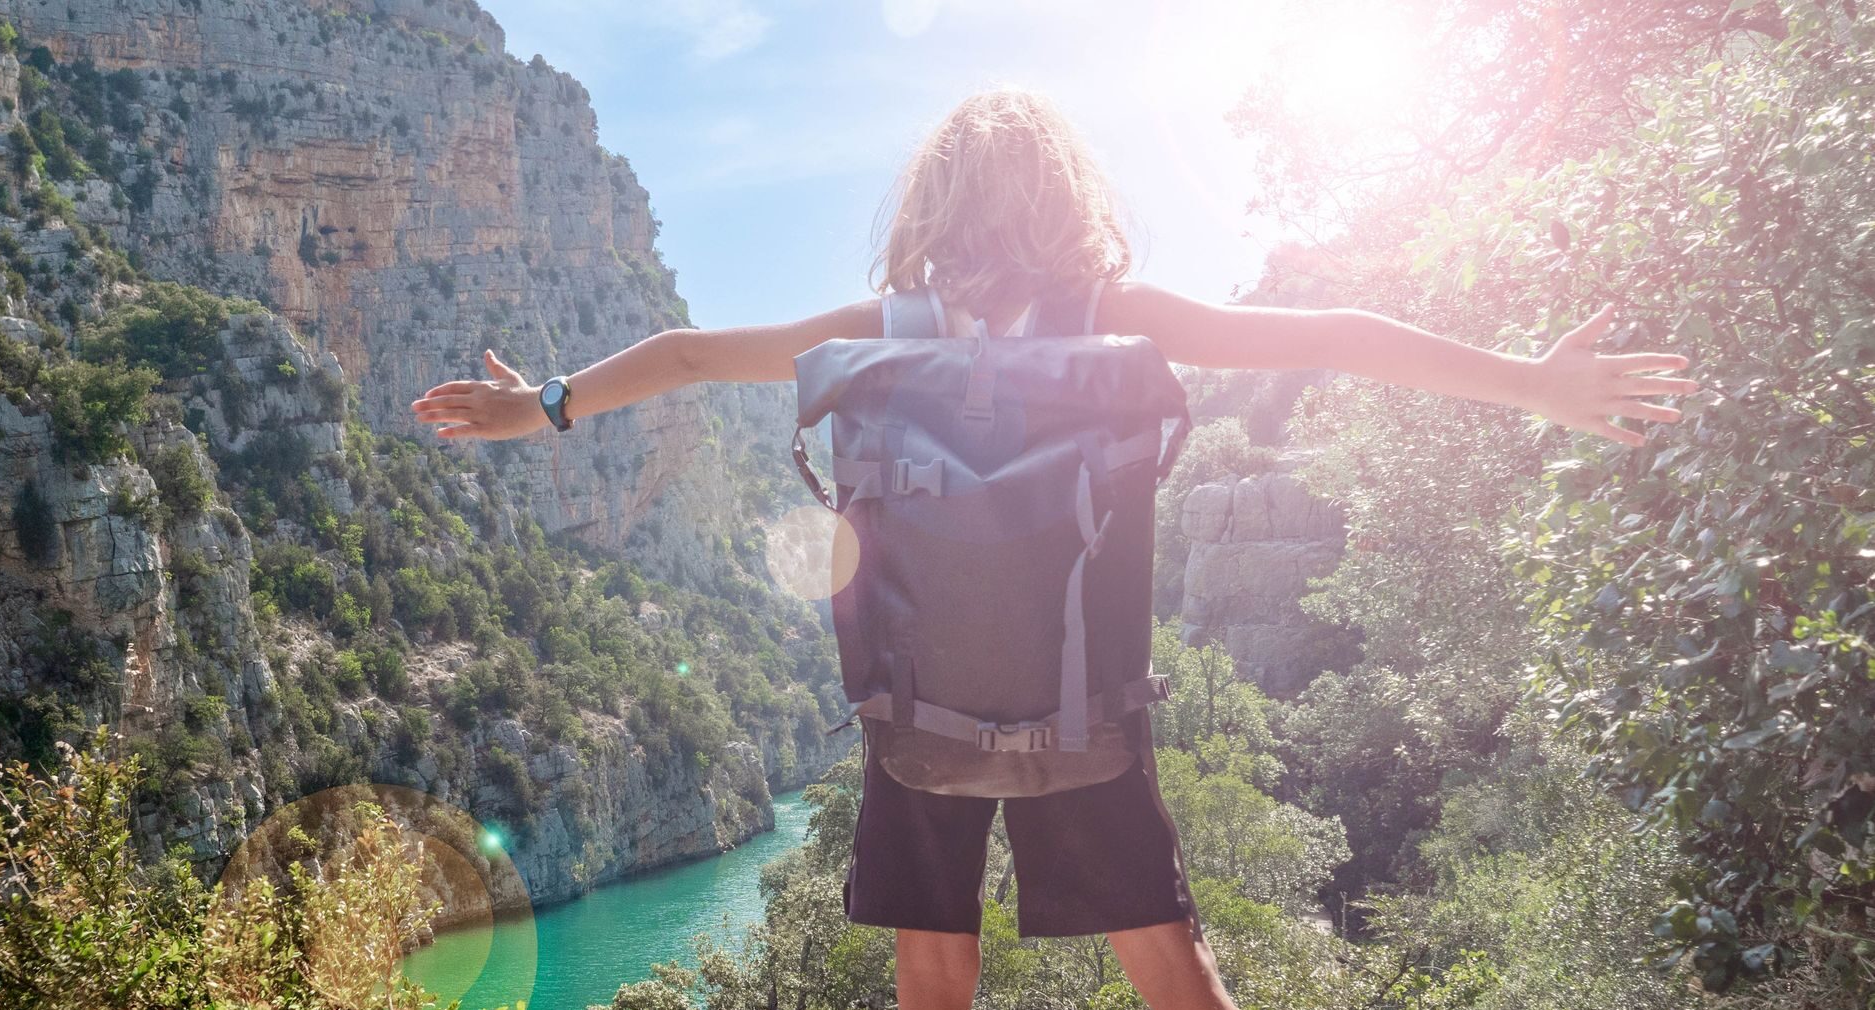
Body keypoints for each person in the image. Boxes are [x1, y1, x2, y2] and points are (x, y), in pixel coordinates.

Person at [407, 88, 1694, 1010]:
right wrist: (1533, 381)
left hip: (921, 713)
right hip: (1081, 705)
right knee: (1175, 970)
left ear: (933, 205)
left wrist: (543, 407)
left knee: (934, 979)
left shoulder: (882, 325)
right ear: (1066, 196)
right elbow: (1334, 331)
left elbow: (689, 357)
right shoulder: (1113, 316)